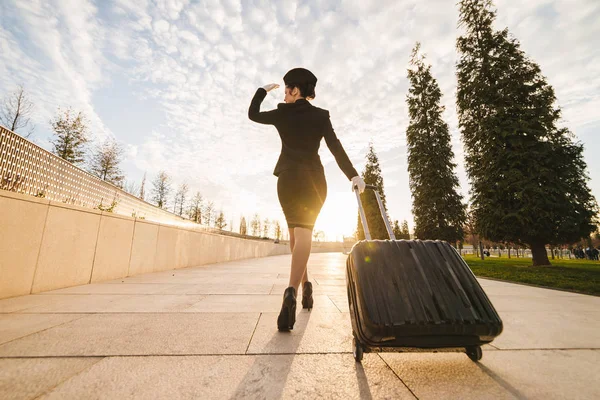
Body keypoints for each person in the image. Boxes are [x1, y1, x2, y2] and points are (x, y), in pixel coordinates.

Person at [248, 67, 366, 331]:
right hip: (313, 181)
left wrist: (262, 92)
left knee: (295, 238)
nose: (285, 92)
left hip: (288, 180)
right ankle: (297, 288)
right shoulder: (321, 116)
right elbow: (335, 147)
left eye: (286, 88)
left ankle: (300, 288)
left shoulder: (281, 113)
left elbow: (252, 114)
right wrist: (353, 175)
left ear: (295, 90)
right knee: (302, 237)